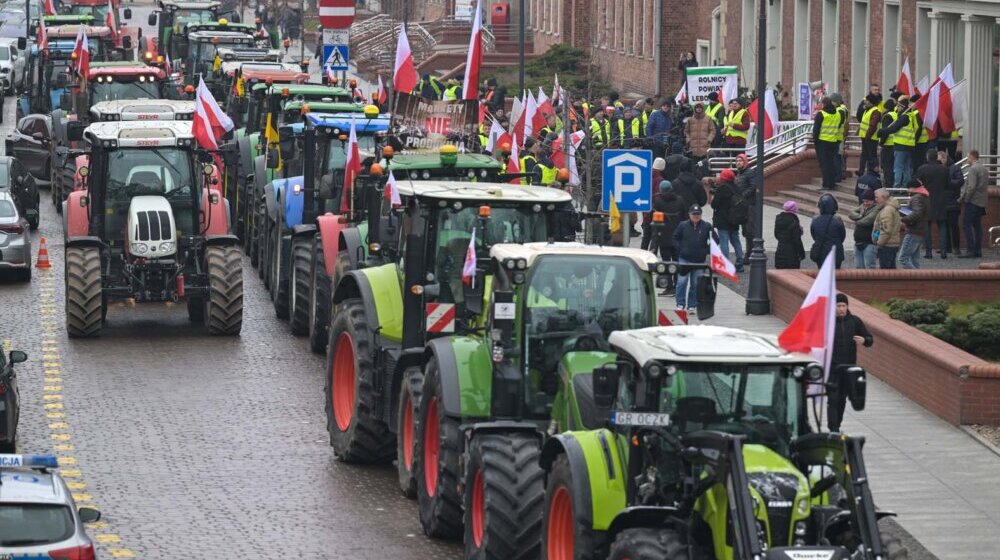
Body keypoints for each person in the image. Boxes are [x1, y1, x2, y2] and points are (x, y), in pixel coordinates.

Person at [828, 293, 874, 433]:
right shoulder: (827, 322)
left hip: (848, 369)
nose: (841, 308)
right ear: (833, 307)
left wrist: (864, 341)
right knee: (833, 399)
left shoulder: (855, 321)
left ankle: (837, 425)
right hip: (832, 368)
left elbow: (870, 339)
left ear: (847, 306)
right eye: (838, 306)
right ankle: (833, 428)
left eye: (843, 306)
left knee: (842, 400)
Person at [672, 204, 717, 311]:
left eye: (698, 214)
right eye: (694, 214)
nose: (696, 216)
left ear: (701, 215)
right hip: (684, 258)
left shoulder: (707, 226)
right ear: (689, 214)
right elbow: (675, 238)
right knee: (681, 282)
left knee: (696, 284)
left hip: (699, 260)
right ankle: (680, 303)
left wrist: (706, 250)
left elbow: (716, 240)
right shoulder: (683, 225)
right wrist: (680, 249)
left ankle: (692, 305)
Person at [652, 180, 687, 294]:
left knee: (666, 263)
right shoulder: (680, 200)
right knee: (677, 262)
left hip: (664, 238)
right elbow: (685, 217)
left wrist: (654, 241)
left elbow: (655, 223)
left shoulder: (658, 202)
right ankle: (678, 286)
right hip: (678, 237)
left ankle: (669, 286)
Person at [915, 147, 949, 259]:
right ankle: (944, 252)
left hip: (927, 200)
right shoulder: (944, 169)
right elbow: (948, 185)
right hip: (941, 200)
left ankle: (928, 252)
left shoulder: (922, 169)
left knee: (927, 227)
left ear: (928, 157)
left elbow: (917, 185)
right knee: (942, 225)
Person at [709, 169, 745, 272]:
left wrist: (712, 197)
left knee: (724, 241)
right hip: (734, 219)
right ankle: (740, 262)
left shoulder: (722, 188)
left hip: (723, 220)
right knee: (735, 240)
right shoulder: (736, 187)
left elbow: (714, 205)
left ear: (724, 177)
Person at [882, 97, 920, 188]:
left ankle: (897, 186)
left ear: (902, 107)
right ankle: (906, 185)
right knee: (907, 168)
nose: (897, 108)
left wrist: (883, 131)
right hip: (910, 145)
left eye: (899, 106)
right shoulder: (911, 116)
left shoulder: (904, 117)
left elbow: (894, 128)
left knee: (898, 167)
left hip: (901, 145)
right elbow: (917, 129)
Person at [958, 150, 988, 258]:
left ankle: (970, 250)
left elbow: (971, 187)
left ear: (972, 157)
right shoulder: (984, 168)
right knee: (977, 226)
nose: (967, 159)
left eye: (968, 157)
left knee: (966, 225)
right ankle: (977, 250)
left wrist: (966, 199)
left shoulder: (973, 169)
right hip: (981, 202)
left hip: (972, 201)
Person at [813, 97, 843, 189]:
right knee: (832, 163)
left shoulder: (821, 114)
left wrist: (815, 142)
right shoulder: (838, 114)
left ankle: (826, 184)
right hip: (833, 142)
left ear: (824, 104)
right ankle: (832, 184)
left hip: (822, 143)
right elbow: (838, 126)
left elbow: (816, 130)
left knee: (824, 164)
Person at [899, 179, 930, 269]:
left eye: (908, 188)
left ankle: (916, 280)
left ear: (912, 188)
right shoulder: (924, 196)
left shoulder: (916, 197)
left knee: (903, 258)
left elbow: (917, 213)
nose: (907, 190)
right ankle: (918, 279)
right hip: (920, 230)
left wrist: (903, 219)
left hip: (914, 230)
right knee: (914, 259)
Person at [810, 193, 846, 268]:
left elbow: (813, 235)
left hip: (820, 252)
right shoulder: (838, 220)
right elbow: (842, 236)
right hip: (836, 252)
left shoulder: (815, 220)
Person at [940, 150, 964, 256]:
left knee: (954, 226)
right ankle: (947, 247)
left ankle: (956, 247)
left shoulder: (955, 167)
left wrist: (947, 182)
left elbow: (960, 181)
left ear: (945, 158)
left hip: (953, 201)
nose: (939, 162)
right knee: (944, 225)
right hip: (943, 201)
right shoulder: (940, 168)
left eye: (940, 160)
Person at [849, 188, 881, 269]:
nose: (865, 203)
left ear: (873, 200)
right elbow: (851, 213)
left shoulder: (876, 209)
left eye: (867, 201)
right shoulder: (862, 206)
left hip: (869, 243)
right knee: (858, 268)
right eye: (864, 201)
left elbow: (867, 221)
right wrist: (860, 216)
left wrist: (856, 220)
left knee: (870, 268)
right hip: (858, 242)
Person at [872, 188, 902, 268]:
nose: (875, 200)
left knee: (886, 272)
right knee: (891, 271)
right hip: (891, 244)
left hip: (887, 245)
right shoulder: (891, 208)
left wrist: (879, 244)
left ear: (883, 197)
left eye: (876, 197)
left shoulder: (887, 210)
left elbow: (886, 230)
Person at [774, 201, 805, 269]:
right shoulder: (794, 222)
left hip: (780, 252)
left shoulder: (779, 219)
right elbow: (797, 240)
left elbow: (776, 235)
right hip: (791, 256)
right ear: (794, 209)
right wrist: (802, 254)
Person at [856, 94, 882, 176]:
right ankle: (861, 171)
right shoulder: (867, 110)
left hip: (871, 138)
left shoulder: (875, 111)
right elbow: (864, 122)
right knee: (864, 154)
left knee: (872, 156)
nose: (865, 102)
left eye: (866, 100)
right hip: (865, 137)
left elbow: (872, 126)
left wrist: (867, 136)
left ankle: (874, 172)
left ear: (871, 102)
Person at [876, 98, 897, 189]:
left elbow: (885, 131)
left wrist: (881, 143)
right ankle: (891, 182)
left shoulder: (887, 116)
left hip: (888, 144)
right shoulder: (896, 114)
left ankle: (888, 183)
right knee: (892, 165)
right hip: (895, 143)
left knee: (886, 165)